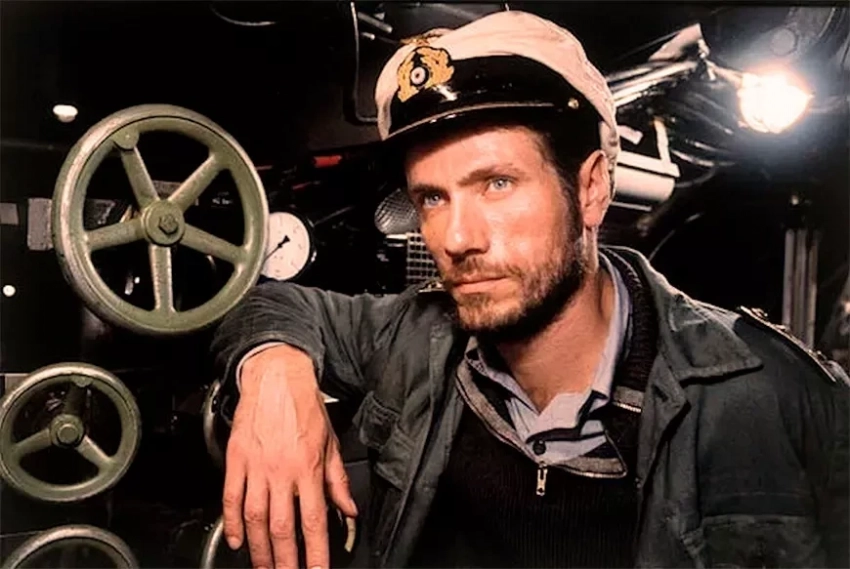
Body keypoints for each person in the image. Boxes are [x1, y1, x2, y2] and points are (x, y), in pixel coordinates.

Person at [210, 10, 850, 569]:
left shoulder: (772, 395)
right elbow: (272, 302)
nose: (456, 238)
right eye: (432, 198)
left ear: (592, 188)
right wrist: (273, 374)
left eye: (497, 184)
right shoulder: (413, 338)